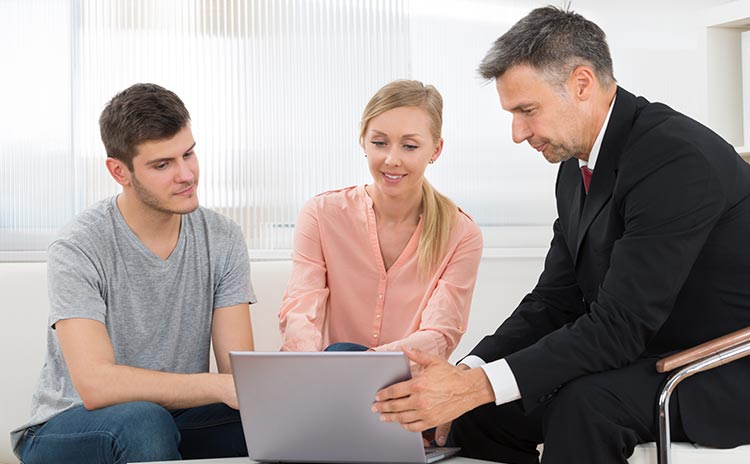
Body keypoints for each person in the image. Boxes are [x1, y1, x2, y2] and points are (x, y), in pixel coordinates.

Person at [371, 6, 750, 464]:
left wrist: (476, 385)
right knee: (477, 414)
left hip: (721, 367)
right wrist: (467, 374)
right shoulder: (575, 168)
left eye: (527, 111)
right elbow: (553, 300)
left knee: (584, 406)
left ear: (582, 84)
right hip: (644, 356)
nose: (517, 133)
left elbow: (620, 325)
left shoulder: (675, 159)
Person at [11, 83, 256, 464]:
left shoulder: (222, 237)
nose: (186, 175)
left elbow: (238, 375)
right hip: (71, 425)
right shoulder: (79, 244)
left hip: (173, 420)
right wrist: (218, 386)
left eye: (188, 154)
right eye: (162, 165)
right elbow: (96, 385)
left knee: (270, 418)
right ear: (119, 171)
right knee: (144, 422)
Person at [279, 80, 482, 359]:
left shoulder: (461, 233)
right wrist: (312, 370)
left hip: (407, 379)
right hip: (331, 372)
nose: (391, 159)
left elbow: (439, 334)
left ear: (436, 150)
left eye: (409, 146)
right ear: (363, 141)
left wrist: (366, 365)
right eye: (379, 143)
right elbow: (301, 311)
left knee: (343, 353)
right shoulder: (321, 214)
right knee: (339, 352)